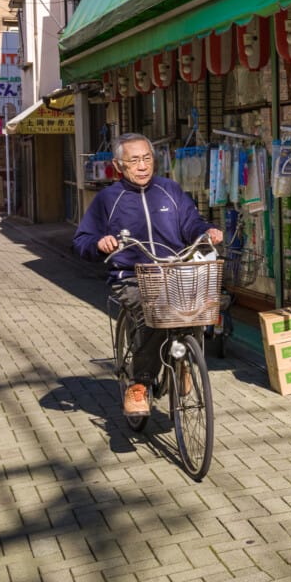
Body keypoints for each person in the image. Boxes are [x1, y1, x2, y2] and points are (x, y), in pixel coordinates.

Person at [74, 132, 224, 417]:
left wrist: (205, 232)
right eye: (134, 160)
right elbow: (81, 240)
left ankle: (182, 360)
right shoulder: (108, 199)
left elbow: (191, 223)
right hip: (130, 275)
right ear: (119, 166)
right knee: (153, 314)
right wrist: (99, 243)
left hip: (174, 270)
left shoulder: (170, 189)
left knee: (197, 307)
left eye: (146, 158)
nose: (142, 166)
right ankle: (139, 383)